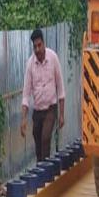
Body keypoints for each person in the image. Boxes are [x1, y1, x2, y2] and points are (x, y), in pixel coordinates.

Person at [20, 28, 65, 162]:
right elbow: (26, 95)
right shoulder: (30, 65)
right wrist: (23, 120)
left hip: (51, 109)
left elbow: (61, 88)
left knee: (46, 138)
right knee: (38, 139)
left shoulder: (53, 58)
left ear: (44, 43)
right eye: (35, 47)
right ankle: (42, 169)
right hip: (37, 111)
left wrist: (61, 115)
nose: (38, 49)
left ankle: (44, 174)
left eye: (40, 45)